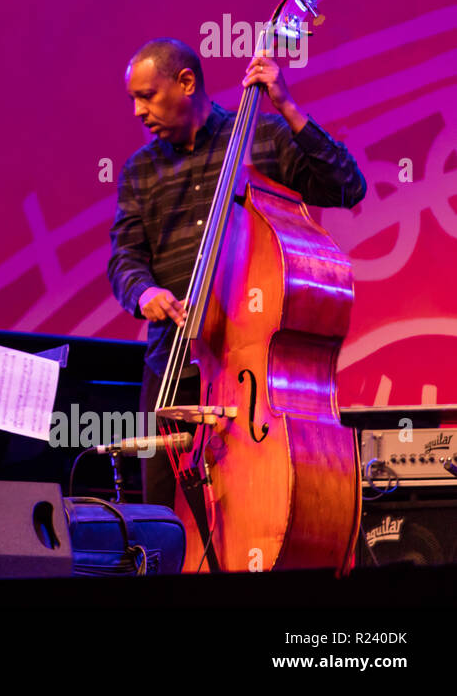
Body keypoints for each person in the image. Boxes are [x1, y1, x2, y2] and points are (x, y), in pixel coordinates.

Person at [107, 37, 366, 507]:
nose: (138, 111)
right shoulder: (138, 171)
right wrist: (144, 293)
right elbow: (124, 258)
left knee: (254, 505)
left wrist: (287, 105)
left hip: (249, 370)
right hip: (172, 365)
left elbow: (348, 186)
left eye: (147, 95)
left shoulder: (263, 138)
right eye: (133, 99)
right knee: (162, 518)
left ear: (186, 82)